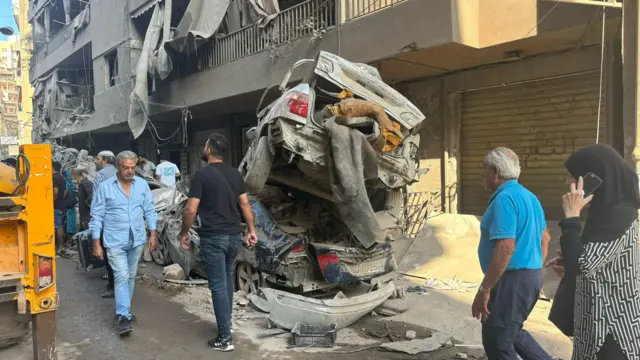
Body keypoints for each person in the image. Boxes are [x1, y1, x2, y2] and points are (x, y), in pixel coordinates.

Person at [545, 144, 640, 360]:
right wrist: (568, 261)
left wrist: (571, 217)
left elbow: (583, 264)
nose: (568, 182)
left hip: (613, 328)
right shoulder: (604, 212)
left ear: (593, 178)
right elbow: (589, 262)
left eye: (573, 176)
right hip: (594, 322)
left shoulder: (620, 215)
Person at [179, 133, 257, 352]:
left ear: (209, 150)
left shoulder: (202, 176)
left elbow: (191, 209)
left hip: (214, 237)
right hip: (234, 237)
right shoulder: (235, 174)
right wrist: (251, 230)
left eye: (205, 146)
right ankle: (226, 327)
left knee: (218, 286)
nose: (203, 148)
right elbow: (245, 205)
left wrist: (184, 232)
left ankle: (225, 338)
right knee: (225, 283)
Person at [473, 147, 551, 360]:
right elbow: (545, 239)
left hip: (511, 281)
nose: (482, 173)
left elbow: (506, 247)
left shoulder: (504, 199)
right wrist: (532, 268)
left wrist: (485, 288)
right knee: (512, 332)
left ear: (495, 172)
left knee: (497, 342)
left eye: (484, 168)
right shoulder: (529, 196)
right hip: (528, 277)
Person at [90, 150, 157, 336]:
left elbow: (150, 211)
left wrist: (153, 233)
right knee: (120, 276)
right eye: (126, 168)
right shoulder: (105, 187)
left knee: (130, 276)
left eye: (133, 167)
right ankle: (123, 316)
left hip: (136, 239)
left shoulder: (142, 185)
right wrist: (96, 242)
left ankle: (124, 311)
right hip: (114, 241)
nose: (129, 171)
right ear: (118, 167)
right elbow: (96, 217)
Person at [93, 150, 118, 299]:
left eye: (98, 159)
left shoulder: (100, 175)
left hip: (107, 221)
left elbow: (97, 202)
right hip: (122, 220)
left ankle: (112, 286)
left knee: (110, 254)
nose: (96, 161)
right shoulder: (121, 173)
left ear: (105, 161)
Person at [52, 161, 68, 253]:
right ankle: (60, 245)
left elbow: (55, 192)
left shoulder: (54, 178)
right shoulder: (62, 178)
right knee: (60, 225)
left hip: (56, 205)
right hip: (62, 204)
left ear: (52, 167)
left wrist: (52, 202)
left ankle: (60, 246)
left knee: (58, 226)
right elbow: (65, 192)